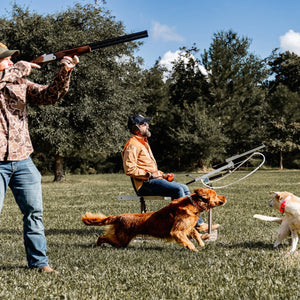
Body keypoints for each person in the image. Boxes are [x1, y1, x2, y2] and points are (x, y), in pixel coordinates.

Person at [0, 42, 79, 273]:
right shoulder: (14, 74)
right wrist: (16, 70)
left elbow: (48, 96)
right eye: (6, 59)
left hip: (23, 160)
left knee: (34, 213)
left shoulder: (20, 82)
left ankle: (39, 263)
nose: (11, 62)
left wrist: (64, 72)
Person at [122, 114, 219, 232]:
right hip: (144, 185)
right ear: (136, 128)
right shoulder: (132, 145)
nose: (147, 125)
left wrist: (162, 175)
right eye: (144, 124)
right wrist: (151, 175)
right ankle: (185, 227)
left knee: (183, 187)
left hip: (153, 180)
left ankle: (198, 224)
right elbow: (129, 169)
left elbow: (147, 167)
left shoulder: (143, 142)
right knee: (178, 189)